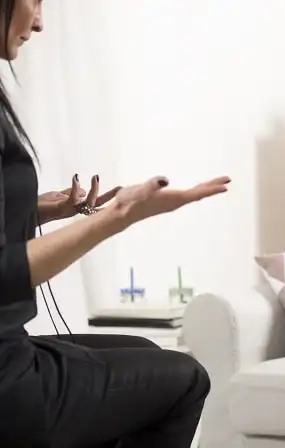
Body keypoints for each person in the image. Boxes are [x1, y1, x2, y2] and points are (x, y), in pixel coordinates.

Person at [0, 1, 231, 446]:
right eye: (35, 1)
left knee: (144, 353)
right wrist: (118, 216)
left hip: (12, 350)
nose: (41, 21)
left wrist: (39, 208)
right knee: (185, 379)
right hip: (7, 380)